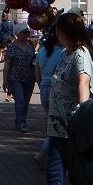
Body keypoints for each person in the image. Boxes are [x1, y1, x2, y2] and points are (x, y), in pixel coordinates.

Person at [20, 11, 93, 185]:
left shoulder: (81, 55)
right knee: (55, 175)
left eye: (57, 30)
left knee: (79, 178)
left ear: (65, 33)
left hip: (74, 128)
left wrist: (83, 112)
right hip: (58, 127)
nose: (55, 34)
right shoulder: (66, 53)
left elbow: (83, 81)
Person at [33, 31, 66, 170]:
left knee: (51, 122)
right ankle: (43, 154)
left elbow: (37, 70)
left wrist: (40, 84)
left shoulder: (42, 51)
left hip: (44, 89)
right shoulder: (63, 52)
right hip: (55, 89)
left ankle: (45, 153)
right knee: (57, 125)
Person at [3, 23, 36, 132]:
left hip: (29, 78)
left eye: (27, 32)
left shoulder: (30, 45)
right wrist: (5, 80)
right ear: (18, 33)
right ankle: (21, 123)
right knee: (20, 100)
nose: (27, 34)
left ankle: (21, 120)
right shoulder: (12, 47)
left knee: (26, 102)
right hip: (15, 78)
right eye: (24, 32)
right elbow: (7, 64)